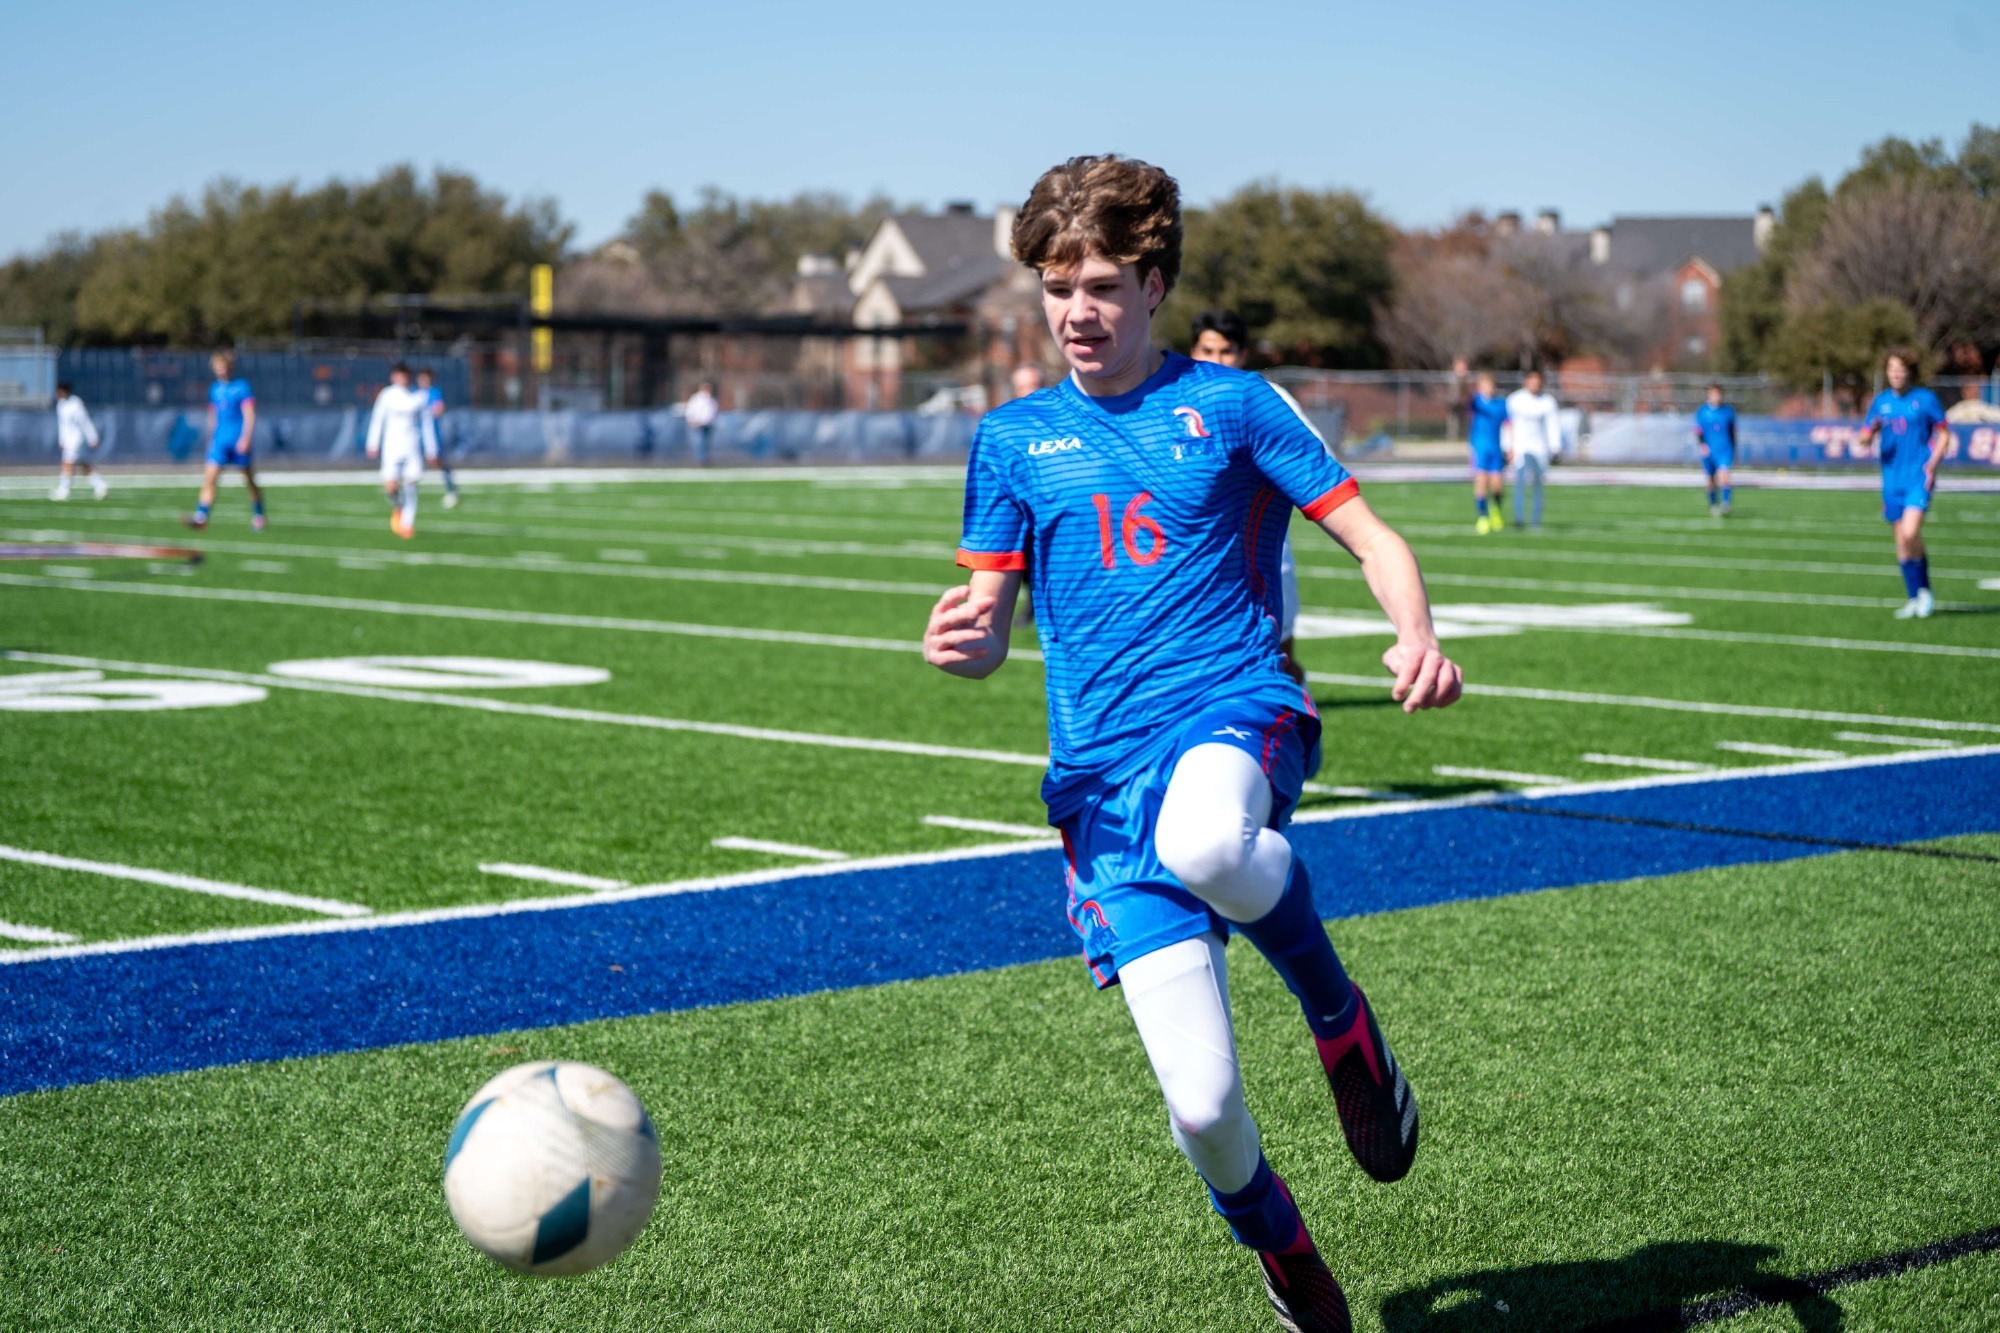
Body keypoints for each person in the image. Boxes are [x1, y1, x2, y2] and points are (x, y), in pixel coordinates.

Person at [924, 154, 1462, 1333]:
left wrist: (1413, 631)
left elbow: (1372, 538)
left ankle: (1339, 1020)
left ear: (1155, 282)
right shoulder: (1010, 441)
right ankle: (1284, 1255)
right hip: (1096, 791)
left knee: (1211, 838)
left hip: (1235, 710)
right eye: (1058, 288)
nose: (1078, 312)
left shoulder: (1229, 406)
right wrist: (967, 643)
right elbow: (991, 625)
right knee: (1206, 1106)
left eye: (1105, 285)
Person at [1188, 307, 1318, 685]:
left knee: (1278, 663)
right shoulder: (1171, 403)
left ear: (1243, 355)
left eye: (1225, 351)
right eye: (1206, 350)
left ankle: (1302, 732)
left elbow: (1317, 463)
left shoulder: (1267, 399)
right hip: (1195, 560)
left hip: (1265, 560)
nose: (1216, 360)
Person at [1856, 348, 1951, 619]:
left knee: (1910, 534)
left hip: (1918, 477)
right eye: (1891, 369)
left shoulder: (1925, 399)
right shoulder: (1881, 402)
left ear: (1909, 371)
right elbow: (1864, 434)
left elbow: (1944, 434)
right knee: (1901, 543)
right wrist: (1866, 436)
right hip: (1891, 479)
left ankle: (1926, 592)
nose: (1896, 373)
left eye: (1900, 368)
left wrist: (1932, 463)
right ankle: (1913, 597)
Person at [183, 351, 265, 531]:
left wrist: (246, 438)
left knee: (249, 480)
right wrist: (210, 440)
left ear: (229, 366)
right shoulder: (214, 389)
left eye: (222, 365)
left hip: (237, 440)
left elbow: (249, 414)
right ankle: (201, 516)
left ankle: (258, 514)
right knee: (210, 478)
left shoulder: (241, 387)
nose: (220, 369)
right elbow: (213, 417)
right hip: (219, 441)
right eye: (217, 366)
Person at [365, 362, 440, 539]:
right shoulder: (387, 395)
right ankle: (398, 507)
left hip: (412, 447)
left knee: (410, 485)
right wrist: (372, 443)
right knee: (390, 487)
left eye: (405, 375)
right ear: (393, 377)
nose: (402, 379)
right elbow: (378, 419)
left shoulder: (418, 396)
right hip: (392, 447)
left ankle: (407, 524)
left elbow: (427, 424)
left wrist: (432, 449)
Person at [1504, 369, 1562, 529]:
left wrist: (1555, 447)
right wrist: (1507, 447)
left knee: (1538, 484)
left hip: (1540, 447)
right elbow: (1508, 424)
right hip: (1520, 446)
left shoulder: (1548, 401)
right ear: (1526, 381)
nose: (1535, 384)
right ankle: (1519, 518)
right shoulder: (1514, 400)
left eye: (1538, 381)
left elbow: (1553, 425)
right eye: (1532, 380)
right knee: (1520, 482)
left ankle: (1536, 520)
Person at [1465, 373, 1509, 534]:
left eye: (1490, 385)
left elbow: (1508, 425)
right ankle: (1482, 516)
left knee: (1497, 485)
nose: (1488, 388)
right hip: (1479, 448)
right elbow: (1462, 395)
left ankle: (1495, 510)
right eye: (1484, 385)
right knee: (1481, 480)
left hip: (1496, 448)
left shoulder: (1501, 404)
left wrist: (1511, 447)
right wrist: (1461, 377)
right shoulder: (1476, 402)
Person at [52, 382, 108, 501]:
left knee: (67, 463)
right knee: (84, 464)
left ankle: (64, 490)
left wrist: (92, 437)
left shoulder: (75, 403)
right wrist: (62, 440)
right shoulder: (60, 405)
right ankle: (100, 485)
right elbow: (62, 425)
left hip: (76, 439)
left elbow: (84, 421)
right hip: (68, 440)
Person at [416, 367, 460, 509]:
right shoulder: (416, 394)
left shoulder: (433, 392)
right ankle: (409, 492)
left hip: (430, 434)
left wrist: (433, 409)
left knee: (436, 461)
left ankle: (451, 489)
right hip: (416, 433)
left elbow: (439, 408)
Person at [1693, 383, 1737, 517]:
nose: (1716, 396)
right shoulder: (1702, 411)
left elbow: (1732, 432)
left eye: (1718, 393)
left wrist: (1734, 448)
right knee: (1710, 481)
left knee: (1724, 476)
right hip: (1709, 451)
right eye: (1713, 393)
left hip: (1724, 450)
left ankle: (1726, 504)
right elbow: (1698, 430)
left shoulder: (1728, 411)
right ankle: (1713, 505)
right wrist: (1702, 445)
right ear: (1709, 394)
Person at [685, 381, 719, 465]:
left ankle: (705, 458)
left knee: (707, 442)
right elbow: (690, 410)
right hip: (699, 423)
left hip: (708, 423)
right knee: (700, 441)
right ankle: (701, 458)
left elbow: (713, 411)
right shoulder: (696, 398)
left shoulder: (711, 399)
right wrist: (692, 419)